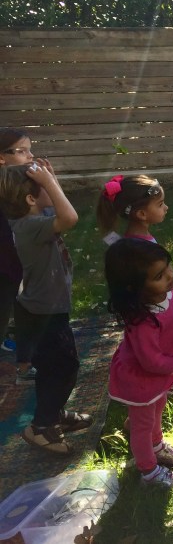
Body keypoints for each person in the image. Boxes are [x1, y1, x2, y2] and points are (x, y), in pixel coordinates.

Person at [0, 161, 90, 454]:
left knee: (51, 368)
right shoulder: (28, 227)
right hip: (43, 313)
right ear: (30, 199)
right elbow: (70, 217)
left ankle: (53, 413)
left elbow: (58, 208)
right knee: (64, 367)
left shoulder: (34, 218)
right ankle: (41, 427)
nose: (51, 188)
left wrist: (50, 181)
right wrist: (50, 183)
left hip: (43, 308)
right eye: (44, 188)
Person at [105, 238, 173, 488]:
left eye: (168, 267)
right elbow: (150, 361)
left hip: (157, 375)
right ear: (134, 287)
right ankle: (149, 470)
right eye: (159, 276)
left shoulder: (166, 294)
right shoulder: (143, 320)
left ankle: (156, 446)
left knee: (159, 403)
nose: (170, 275)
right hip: (140, 379)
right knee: (141, 424)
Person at [0, 128, 30, 357]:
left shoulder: (19, 182)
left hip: (13, 262)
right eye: (22, 151)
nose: (30, 156)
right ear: (2, 157)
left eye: (30, 150)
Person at [96, 174, 169, 244]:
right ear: (142, 214)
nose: (166, 207)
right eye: (160, 204)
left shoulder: (134, 243)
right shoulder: (143, 248)